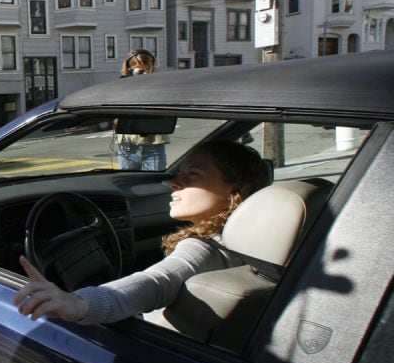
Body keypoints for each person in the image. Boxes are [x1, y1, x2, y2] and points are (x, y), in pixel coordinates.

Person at [14, 139, 270, 325]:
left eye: (193, 174)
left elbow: (155, 282)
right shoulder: (263, 243)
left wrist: (79, 304)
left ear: (238, 191)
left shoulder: (205, 248)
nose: (173, 182)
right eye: (178, 173)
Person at [114, 49, 169, 170]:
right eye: (140, 71)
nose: (144, 73)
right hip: (127, 144)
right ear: (129, 70)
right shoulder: (121, 86)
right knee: (128, 183)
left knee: (154, 183)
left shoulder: (160, 85)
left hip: (153, 143)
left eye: (147, 69)